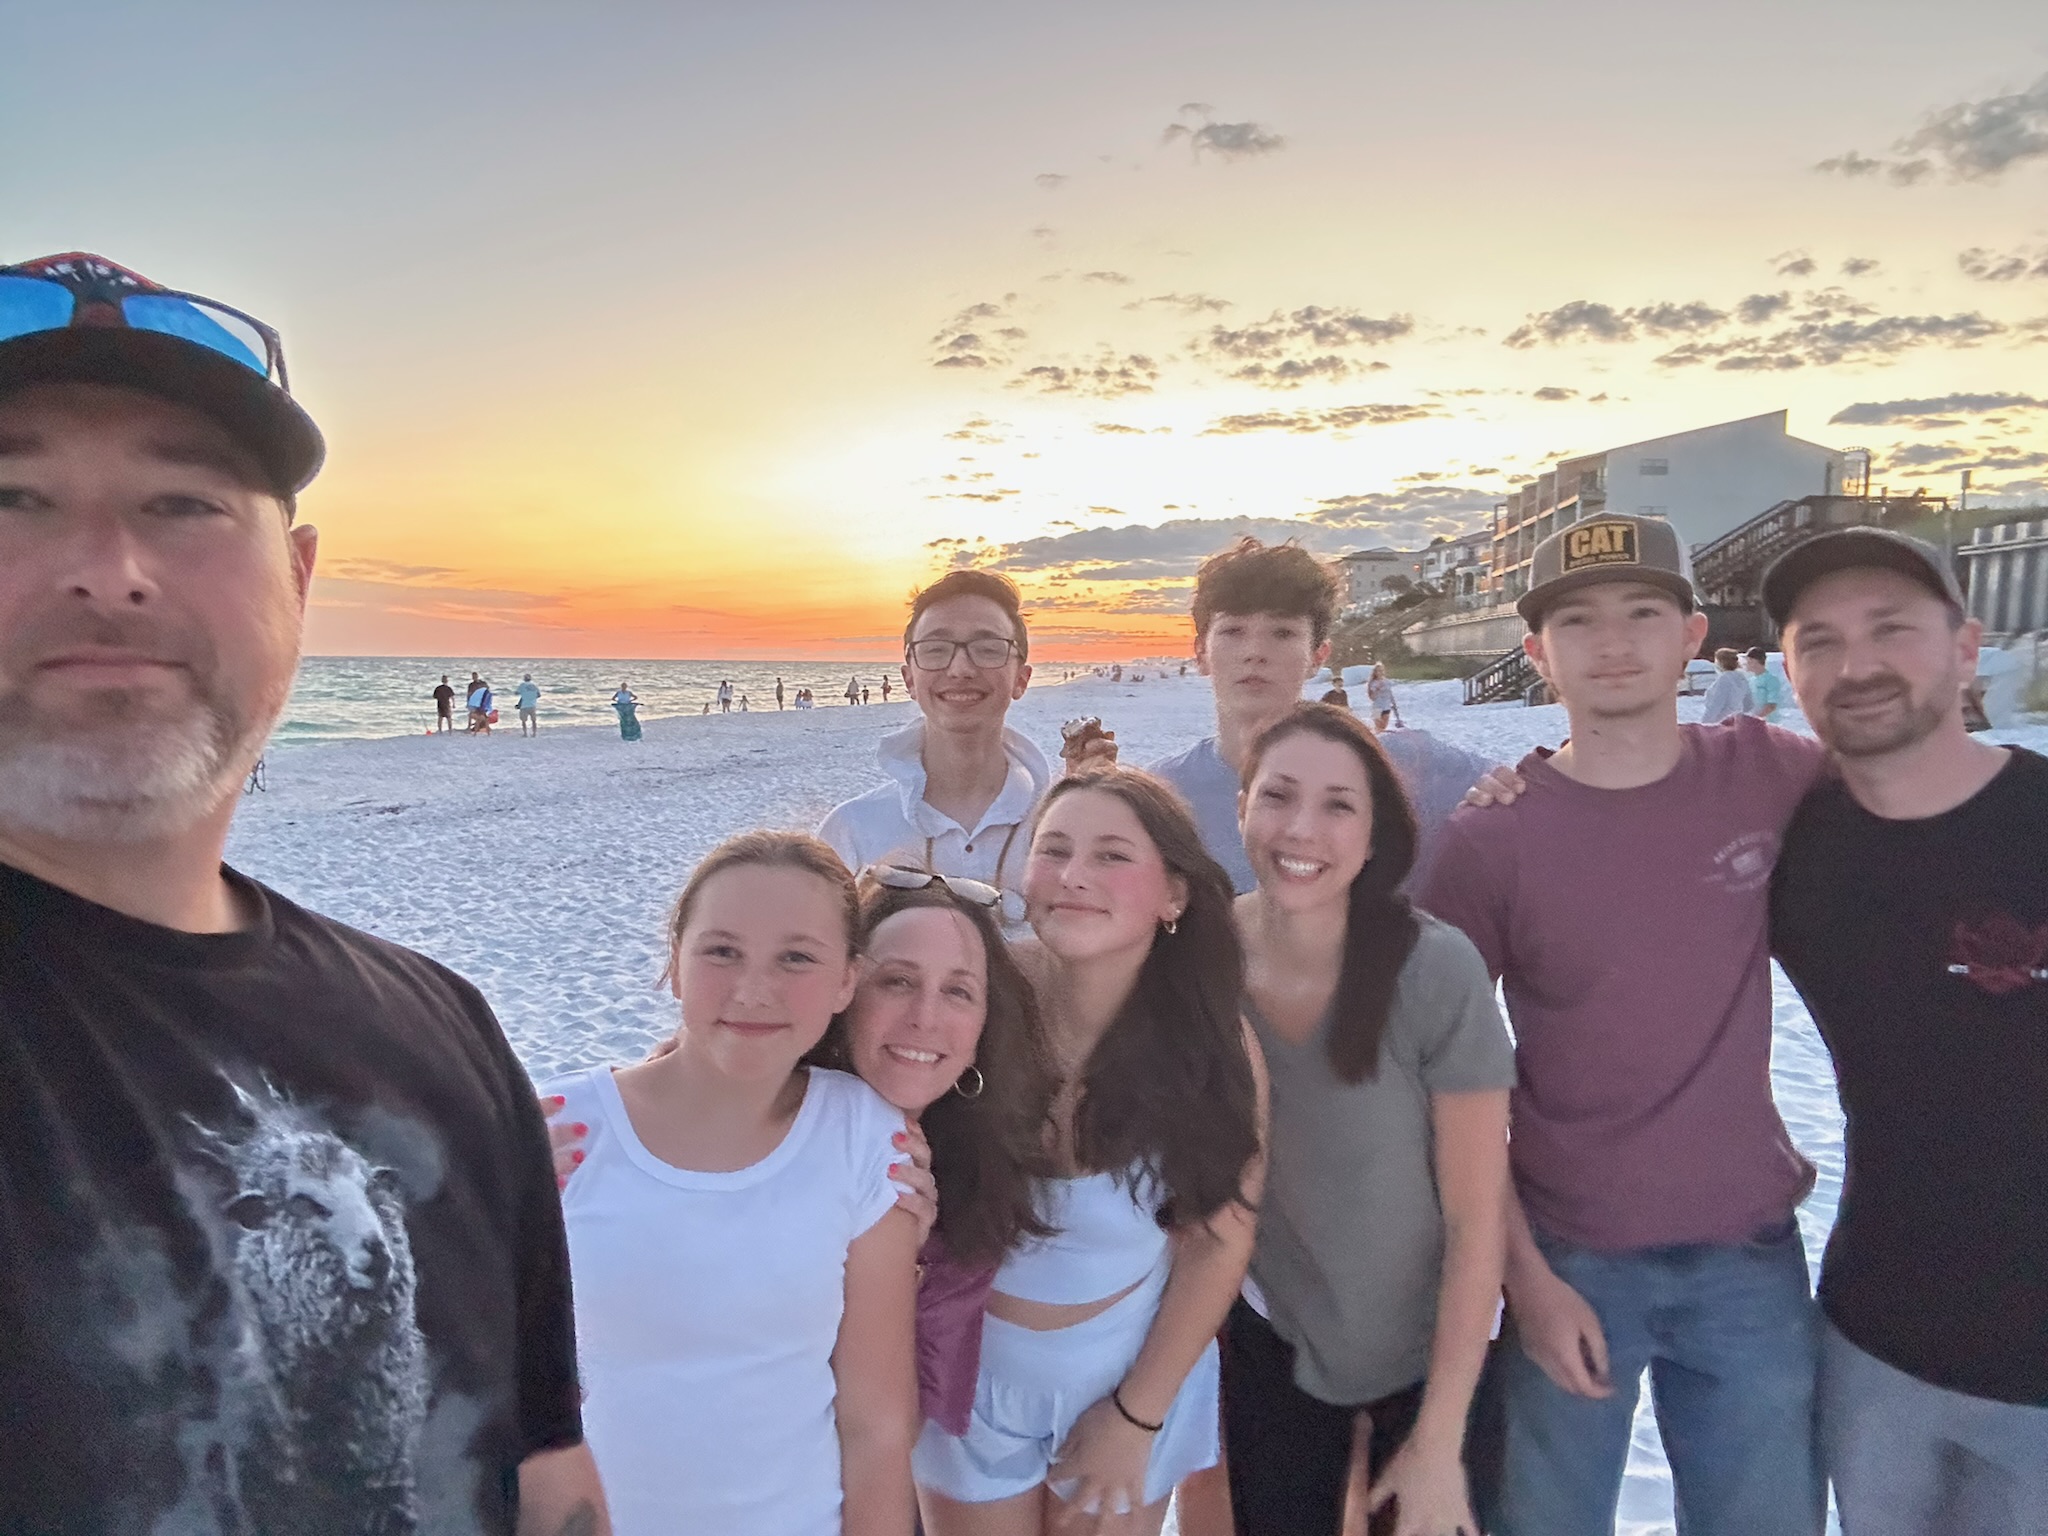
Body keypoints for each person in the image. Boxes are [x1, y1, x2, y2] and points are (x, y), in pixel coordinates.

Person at [0, 251, 605, 1531]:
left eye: (184, 502)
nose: (108, 569)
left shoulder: (439, 1029)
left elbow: (547, 1483)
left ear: (302, 577)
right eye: (10, 497)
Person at [1418, 515, 1827, 1536]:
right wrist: (1526, 1280)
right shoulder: (1491, 837)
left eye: (1641, 613)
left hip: (1751, 1260)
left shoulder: (1767, 772)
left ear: (1690, 634)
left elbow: (1916, 794)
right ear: (1534, 652)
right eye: (1577, 619)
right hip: (1568, 1260)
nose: (1611, 643)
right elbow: (1435, 1084)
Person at [1763, 530, 2048, 1532]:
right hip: (1875, 1342)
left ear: (1965, 647)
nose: (1856, 666)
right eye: (1819, 641)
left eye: (1889, 629)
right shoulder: (1794, 853)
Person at [914, 769, 1267, 1536]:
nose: (1073, 877)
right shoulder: (981, 996)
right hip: (971, 1379)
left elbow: (1218, 1241)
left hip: (1130, 1376)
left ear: (1173, 894)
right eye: (1054, 849)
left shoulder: (1207, 1042)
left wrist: (1135, 1420)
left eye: (1111, 856)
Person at [542, 832, 920, 1533]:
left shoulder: (863, 1136)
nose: (753, 990)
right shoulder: (555, 1130)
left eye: (796, 959)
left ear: (846, 981)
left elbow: (876, 1424)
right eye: (722, 952)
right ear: (675, 965)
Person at [1224, 706, 1513, 1536]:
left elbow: (1474, 1217)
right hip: (1275, 1338)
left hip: (1434, 1352)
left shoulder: (1434, 966)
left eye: (1338, 805)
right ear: (1241, 804)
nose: (1301, 829)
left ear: (1375, 829)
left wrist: (1439, 1440)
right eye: (1276, 796)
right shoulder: (1205, 958)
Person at [1128, 538, 1494, 895]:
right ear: (1201, 653)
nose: (1255, 651)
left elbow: (1539, 804)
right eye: (1233, 631)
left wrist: (1503, 790)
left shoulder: (1410, 764)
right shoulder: (1161, 795)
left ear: (1318, 655)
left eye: (1283, 633)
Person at [819, 570, 1048, 925]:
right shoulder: (854, 828)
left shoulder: (1055, 827)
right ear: (909, 678)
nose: (960, 669)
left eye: (988, 650)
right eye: (936, 650)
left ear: (1021, 679)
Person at [1699, 646, 1753, 724]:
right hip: (1737, 722)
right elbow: (1749, 704)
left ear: (1721, 662)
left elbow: (1716, 705)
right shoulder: (1742, 678)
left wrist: (1704, 725)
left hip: (1721, 723)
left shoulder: (1724, 679)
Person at [1743, 645, 1784, 721]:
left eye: (1748, 661)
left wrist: (1756, 718)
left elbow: (1772, 705)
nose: (1746, 664)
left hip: (1768, 723)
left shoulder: (1771, 680)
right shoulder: (1751, 680)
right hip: (1753, 723)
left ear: (1754, 661)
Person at [1366, 662, 1399, 732]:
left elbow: (1390, 693)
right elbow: (1372, 698)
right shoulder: (1373, 683)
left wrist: (1394, 704)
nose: (1380, 672)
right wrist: (1377, 689)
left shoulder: (1387, 681)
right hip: (1377, 707)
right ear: (1375, 672)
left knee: (1383, 726)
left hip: (1386, 706)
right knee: (1378, 727)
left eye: (1381, 670)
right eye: (1378, 671)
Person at [516, 672, 542, 737]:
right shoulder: (534, 686)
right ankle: (534, 733)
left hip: (524, 705)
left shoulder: (522, 685)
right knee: (533, 720)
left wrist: (525, 695)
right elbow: (538, 695)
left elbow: (516, 692)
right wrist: (531, 697)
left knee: (523, 721)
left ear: (524, 679)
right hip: (532, 705)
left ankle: (525, 733)